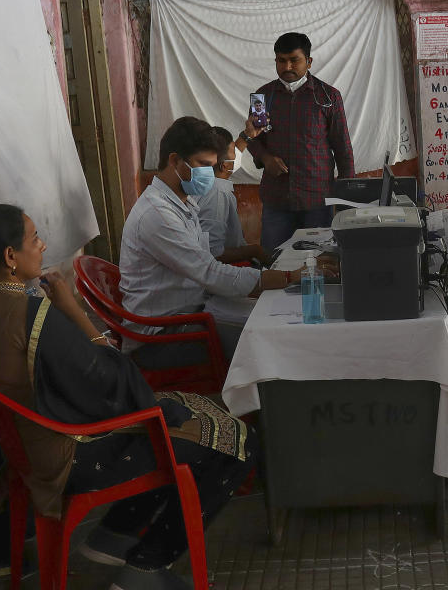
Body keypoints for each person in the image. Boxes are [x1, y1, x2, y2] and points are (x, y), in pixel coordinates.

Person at [0, 204, 257, 590]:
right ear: (9, 257)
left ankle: (116, 533)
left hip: (25, 446)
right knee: (235, 441)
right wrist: (73, 311)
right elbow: (114, 384)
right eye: (34, 238)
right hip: (68, 454)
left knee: (183, 409)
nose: (42, 246)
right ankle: (146, 566)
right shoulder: (32, 314)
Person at [121, 116, 327, 371]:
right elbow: (211, 272)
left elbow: (207, 266)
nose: (210, 173)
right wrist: (288, 277)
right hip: (163, 338)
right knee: (275, 340)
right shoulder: (158, 215)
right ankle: (261, 406)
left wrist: (276, 280)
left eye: (213, 165)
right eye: (203, 165)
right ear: (175, 161)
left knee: (272, 318)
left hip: (191, 312)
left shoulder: (183, 202)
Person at [245, 32, 356, 252]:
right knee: (273, 262)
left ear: (309, 61)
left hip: (317, 201)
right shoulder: (263, 97)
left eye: (294, 60)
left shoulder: (328, 97)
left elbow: (343, 149)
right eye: (281, 60)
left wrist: (348, 198)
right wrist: (266, 158)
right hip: (276, 201)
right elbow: (253, 139)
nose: (287, 66)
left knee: (319, 262)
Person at [196, 126, 269, 264]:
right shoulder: (217, 194)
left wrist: (248, 135)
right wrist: (254, 251)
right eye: (233, 154)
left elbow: (228, 161)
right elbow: (214, 253)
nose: (236, 157)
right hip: (226, 270)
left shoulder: (205, 178)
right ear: (224, 166)